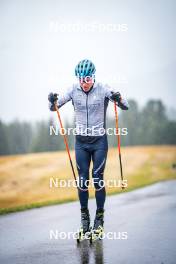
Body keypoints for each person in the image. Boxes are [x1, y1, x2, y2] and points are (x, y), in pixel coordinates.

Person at [48, 59, 129, 236]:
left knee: (97, 177)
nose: (84, 83)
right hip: (81, 142)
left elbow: (125, 106)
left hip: (99, 141)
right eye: (81, 79)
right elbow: (54, 108)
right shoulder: (72, 89)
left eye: (88, 79)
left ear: (93, 77)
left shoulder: (103, 88)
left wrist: (119, 98)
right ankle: (85, 218)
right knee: (83, 179)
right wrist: (51, 100)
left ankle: (99, 218)